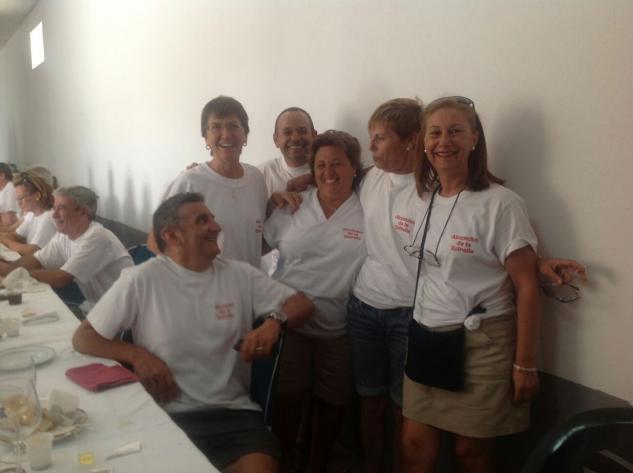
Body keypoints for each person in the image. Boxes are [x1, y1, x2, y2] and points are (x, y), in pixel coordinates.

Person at [72, 192, 315, 473]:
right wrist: (136, 355)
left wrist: (275, 321)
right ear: (172, 235)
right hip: (165, 415)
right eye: (203, 220)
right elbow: (83, 337)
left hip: (234, 416)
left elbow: (303, 305)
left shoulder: (239, 274)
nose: (216, 226)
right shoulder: (142, 279)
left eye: (212, 218)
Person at [400, 96, 538, 473]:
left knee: (470, 453)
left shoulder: (502, 203)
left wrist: (525, 363)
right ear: (423, 142)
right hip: (426, 336)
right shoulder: (420, 199)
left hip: (482, 344)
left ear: (474, 139)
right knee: (413, 446)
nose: (444, 141)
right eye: (435, 133)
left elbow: (527, 286)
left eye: (455, 131)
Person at [264, 130, 365, 473]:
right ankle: (288, 458)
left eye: (337, 163)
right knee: (289, 396)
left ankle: (318, 462)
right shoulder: (294, 205)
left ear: (354, 167)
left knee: (333, 400)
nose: (328, 172)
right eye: (320, 165)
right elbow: (260, 243)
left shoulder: (367, 210)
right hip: (289, 320)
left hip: (338, 326)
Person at [150, 96, 267, 268]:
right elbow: (155, 243)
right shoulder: (189, 182)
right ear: (205, 137)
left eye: (233, 126)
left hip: (249, 282)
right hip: (204, 284)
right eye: (216, 127)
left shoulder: (256, 179)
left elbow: (254, 241)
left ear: (245, 135)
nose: (226, 134)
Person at [0, 186, 133, 312]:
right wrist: (9, 267)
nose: (54, 215)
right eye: (54, 208)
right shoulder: (65, 235)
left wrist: (14, 273)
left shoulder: (97, 237)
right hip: (98, 307)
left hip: (122, 313)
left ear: (83, 212)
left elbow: (61, 278)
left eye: (61, 208)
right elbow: (38, 260)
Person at [259, 107, 317, 196]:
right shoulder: (263, 173)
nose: (295, 138)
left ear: (314, 136)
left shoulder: (328, 172)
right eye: (287, 132)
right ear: (276, 140)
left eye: (302, 131)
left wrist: (314, 180)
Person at [0, 171, 56, 255]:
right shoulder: (31, 214)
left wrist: (6, 242)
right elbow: (16, 236)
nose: (19, 203)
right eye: (18, 199)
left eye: (21, 198)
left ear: (37, 196)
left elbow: (32, 250)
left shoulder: (48, 217)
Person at [0, 162, 19, 227]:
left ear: (2, 175)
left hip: (12, 227)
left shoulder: (10, 188)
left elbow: (9, 219)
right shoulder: (2, 189)